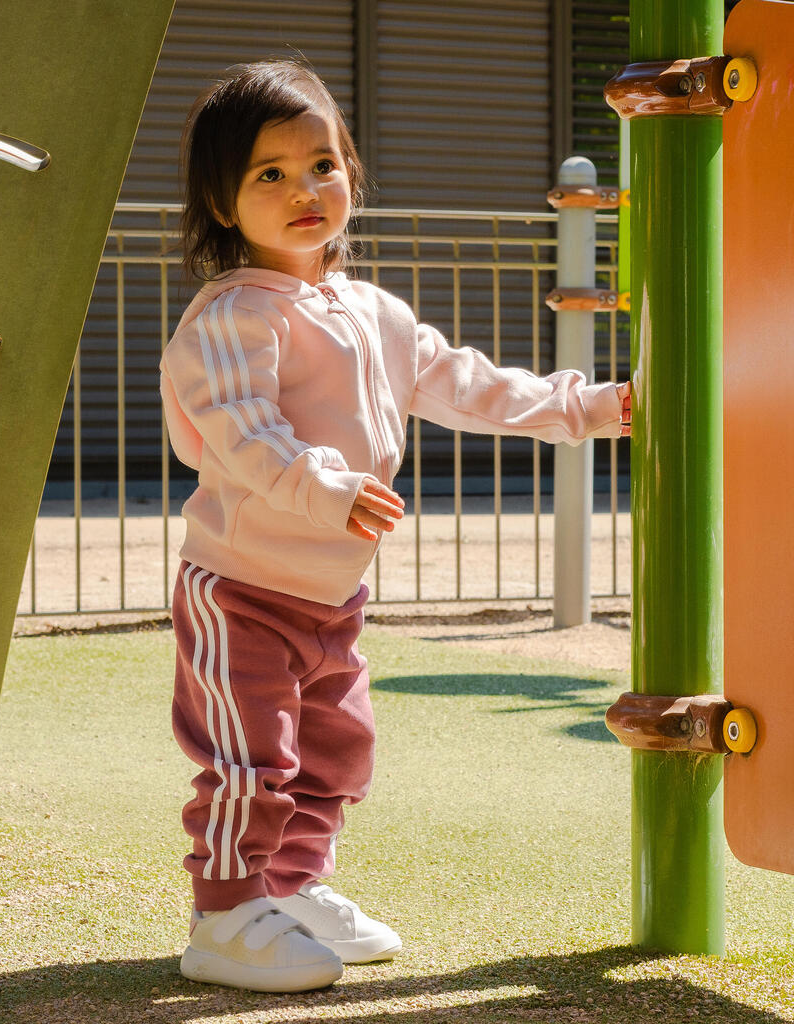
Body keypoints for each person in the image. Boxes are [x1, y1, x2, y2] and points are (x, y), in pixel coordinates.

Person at [160, 60, 631, 994]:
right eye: (270, 174)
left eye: (323, 165)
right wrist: (327, 487)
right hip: (243, 588)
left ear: (352, 174)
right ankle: (222, 916)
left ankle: (288, 889)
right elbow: (244, 435)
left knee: (336, 749)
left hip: (332, 594)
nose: (305, 190)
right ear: (220, 201)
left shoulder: (374, 311)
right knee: (249, 756)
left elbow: (470, 383)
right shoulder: (233, 319)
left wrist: (590, 407)